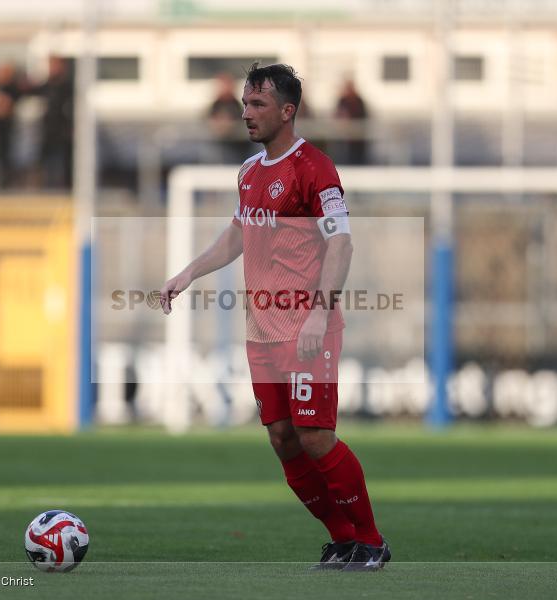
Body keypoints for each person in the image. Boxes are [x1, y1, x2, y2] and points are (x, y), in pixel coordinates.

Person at [160, 63, 390, 571]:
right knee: (283, 439)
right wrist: (189, 272)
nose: (246, 113)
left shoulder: (315, 169)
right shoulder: (247, 172)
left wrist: (318, 313)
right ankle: (342, 539)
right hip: (262, 332)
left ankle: (370, 541)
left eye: (257, 104)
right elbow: (238, 235)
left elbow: (341, 244)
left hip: (309, 329)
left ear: (288, 111)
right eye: (244, 103)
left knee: (314, 436)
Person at [30, 56, 74, 189]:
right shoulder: (45, 86)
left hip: (64, 132)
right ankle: (45, 188)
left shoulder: (69, 87)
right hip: (48, 130)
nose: (53, 68)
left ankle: (66, 188)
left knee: (66, 163)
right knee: (45, 162)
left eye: (55, 64)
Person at [0, 62, 22, 189]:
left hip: (7, 133)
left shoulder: (12, 89)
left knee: (6, 162)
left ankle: (6, 184)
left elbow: (3, 109)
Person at [332, 77, 369, 165]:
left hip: (357, 138)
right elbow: (337, 115)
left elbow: (363, 117)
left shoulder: (359, 101)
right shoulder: (342, 100)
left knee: (357, 157)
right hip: (343, 137)